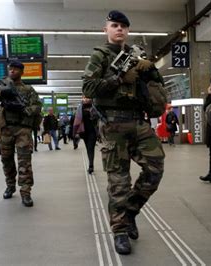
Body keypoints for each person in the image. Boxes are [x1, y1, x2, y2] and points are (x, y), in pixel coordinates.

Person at [83, 10, 166, 255]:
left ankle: (129, 212)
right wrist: (118, 79)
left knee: (155, 168)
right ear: (106, 30)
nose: (119, 29)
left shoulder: (134, 54)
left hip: (139, 123)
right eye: (114, 25)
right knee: (118, 181)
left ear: (128, 31)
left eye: (123, 26)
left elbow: (155, 85)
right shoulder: (100, 55)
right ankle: (120, 230)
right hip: (113, 125)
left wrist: (150, 69)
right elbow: (88, 87)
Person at [0, 60, 42, 207]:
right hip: (6, 129)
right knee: (6, 159)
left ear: (21, 72)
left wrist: (26, 110)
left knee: (24, 161)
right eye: (10, 69)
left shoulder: (28, 89)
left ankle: (26, 192)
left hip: (23, 129)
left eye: (15, 69)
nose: (12, 71)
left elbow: (37, 105)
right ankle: (10, 185)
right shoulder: (2, 88)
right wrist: (0, 93)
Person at [73, 96, 98, 174]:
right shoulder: (80, 108)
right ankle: (90, 163)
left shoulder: (95, 107)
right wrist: (75, 132)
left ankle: (91, 165)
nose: (86, 99)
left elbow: (99, 118)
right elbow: (76, 119)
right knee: (88, 148)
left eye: (88, 98)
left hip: (93, 131)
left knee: (91, 148)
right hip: (84, 132)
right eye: (84, 98)